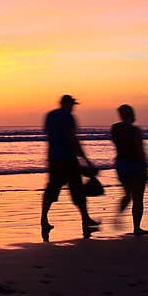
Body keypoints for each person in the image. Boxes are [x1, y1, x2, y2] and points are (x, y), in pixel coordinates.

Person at [41, 94, 100, 240]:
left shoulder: (50, 116)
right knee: (77, 190)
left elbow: (49, 135)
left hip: (54, 158)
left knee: (51, 190)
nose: (73, 107)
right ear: (66, 104)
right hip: (68, 159)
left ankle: (44, 219)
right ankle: (85, 218)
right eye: (72, 104)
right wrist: (85, 159)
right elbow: (72, 138)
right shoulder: (68, 117)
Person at [111, 104, 148, 235]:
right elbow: (140, 150)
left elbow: (117, 143)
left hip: (121, 165)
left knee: (127, 195)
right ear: (131, 115)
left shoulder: (115, 129)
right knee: (138, 198)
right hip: (136, 164)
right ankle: (137, 228)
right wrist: (146, 169)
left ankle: (118, 216)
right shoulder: (135, 131)